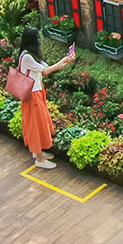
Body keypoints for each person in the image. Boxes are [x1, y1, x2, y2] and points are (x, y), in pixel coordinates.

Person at [15, 27, 74, 169]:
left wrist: (66, 61)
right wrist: (63, 60)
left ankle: (38, 153)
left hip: (37, 91)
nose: (39, 39)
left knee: (40, 122)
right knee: (36, 125)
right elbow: (46, 71)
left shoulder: (30, 54)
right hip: (32, 95)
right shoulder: (27, 57)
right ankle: (39, 159)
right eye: (37, 37)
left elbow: (48, 68)